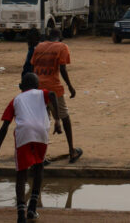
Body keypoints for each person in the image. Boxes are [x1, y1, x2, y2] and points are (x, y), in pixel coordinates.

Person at [0, 72, 62, 223]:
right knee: (39, 166)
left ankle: (21, 214)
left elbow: (4, 127)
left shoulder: (15, 100)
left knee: (21, 173)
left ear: (21, 86)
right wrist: (57, 120)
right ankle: (32, 208)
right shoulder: (41, 93)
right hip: (41, 131)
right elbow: (53, 95)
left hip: (24, 133)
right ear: (37, 85)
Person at [30, 28, 82, 162]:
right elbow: (63, 68)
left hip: (38, 88)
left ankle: (40, 155)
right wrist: (70, 86)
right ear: (61, 38)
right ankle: (71, 151)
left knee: (42, 121)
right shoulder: (62, 47)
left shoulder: (39, 47)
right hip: (54, 88)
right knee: (64, 117)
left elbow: (32, 67)